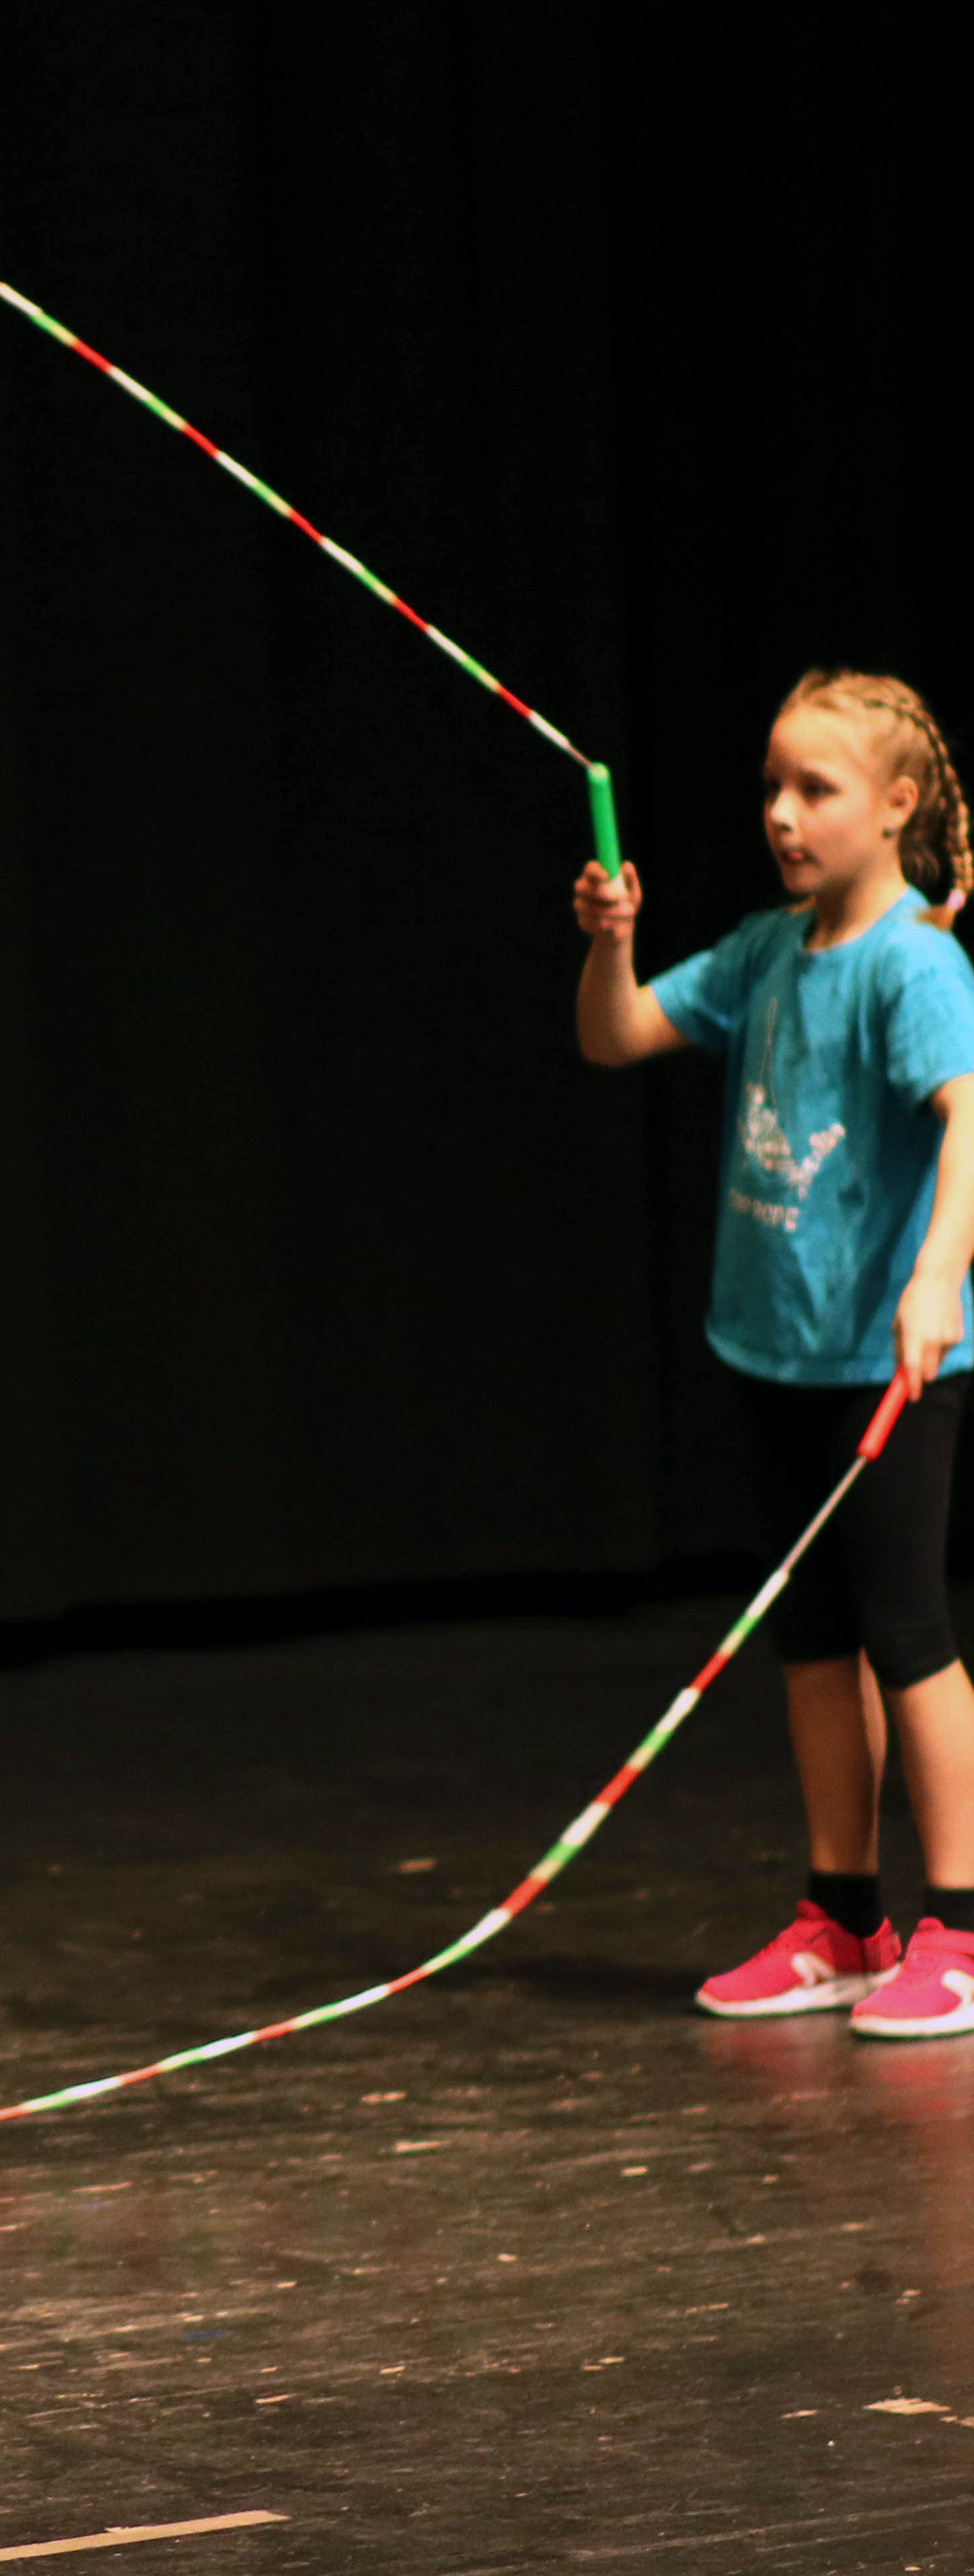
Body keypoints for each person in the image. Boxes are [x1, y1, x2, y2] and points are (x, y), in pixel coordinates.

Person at [575, 668, 974, 2040]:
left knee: (908, 1633)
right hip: (778, 1353)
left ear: (897, 805)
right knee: (815, 1640)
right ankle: (845, 1920)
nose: (784, 815)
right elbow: (617, 1033)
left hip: (888, 1359)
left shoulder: (915, 963)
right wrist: (612, 942)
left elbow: (971, 1115)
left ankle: (962, 1929)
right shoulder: (764, 952)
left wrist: (938, 1276)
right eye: (772, 788)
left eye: (817, 788)